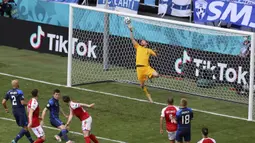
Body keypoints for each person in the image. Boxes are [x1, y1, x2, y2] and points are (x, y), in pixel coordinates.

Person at [127, 24, 159, 103]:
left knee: (157, 75)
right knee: (141, 85)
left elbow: (156, 55)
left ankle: (150, 76)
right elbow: (132, 39)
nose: (142, 40)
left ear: (146, 43)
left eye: (143, 40)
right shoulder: (138, 47)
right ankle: (149, 97)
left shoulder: (149, 50)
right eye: (141, 40)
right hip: (139, 69)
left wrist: (156, 52)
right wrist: (131, 30)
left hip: (146, 68)